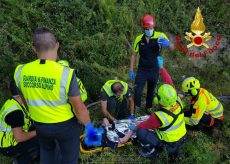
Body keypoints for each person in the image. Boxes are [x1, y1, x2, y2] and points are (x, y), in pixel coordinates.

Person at [14, 28, 98, 164]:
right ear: (57, 45)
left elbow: (24, 100)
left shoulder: (20, 71)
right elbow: (79, 108)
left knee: (47, 153)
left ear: (34, 49)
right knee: (69, 158)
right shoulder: (66, 74)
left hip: (40, 125)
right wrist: (89, 127)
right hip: (65, 127)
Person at [120, 84, 186, 158]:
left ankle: (150, 151)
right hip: (182, 137)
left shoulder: (159, 116)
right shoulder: (178, 101)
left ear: (158, 100)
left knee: (141, 132)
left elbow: (140, 126)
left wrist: (127, 136)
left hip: (169, 143)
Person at [129, 14, 175, 114]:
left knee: (151, 90)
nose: (149, 30)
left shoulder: (160, 36)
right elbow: (134, 55)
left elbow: (172, 48)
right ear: (143, 28)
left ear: (153, 26)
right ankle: (136, 109)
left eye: (151, 28)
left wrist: (168, 44)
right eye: (146, 28)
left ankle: (148, 108)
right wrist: (131, 69)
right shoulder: (139, 39)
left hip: (154, 69)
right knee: (138, 90)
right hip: (142, 69)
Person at [0, 81, 39, 164]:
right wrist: (38, 132)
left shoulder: (13, 101)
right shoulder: (15, 112)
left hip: (14, 137)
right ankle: (20, 161)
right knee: (44, 138)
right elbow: (19, 137)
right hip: (8, 146)